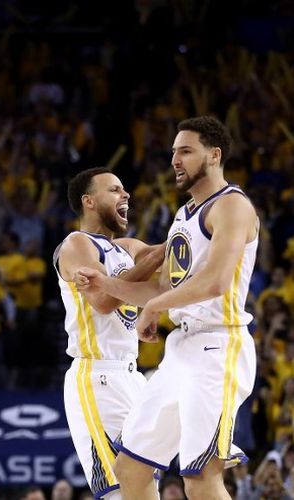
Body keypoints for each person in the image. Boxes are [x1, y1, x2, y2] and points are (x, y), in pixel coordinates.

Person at [75, 116, 258, 500]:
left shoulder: (232, 206)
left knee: (200, 478)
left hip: (218, 347)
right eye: (173, 152)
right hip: (181, 350)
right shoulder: (184, 215)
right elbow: (162, 286)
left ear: (214, 155)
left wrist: (156, 306)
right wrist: (107, 284)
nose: (175, 159)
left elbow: (216, 282)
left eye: (186, 151)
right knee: (130, 467)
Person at [54, 167, 165, 499]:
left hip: (134, 378)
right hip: (96, 377)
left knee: (146, 490)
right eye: (115, 190)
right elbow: (103, 301)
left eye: (124, 189)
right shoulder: (77, 244)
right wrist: (156, 259)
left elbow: (172, 260)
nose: (125, 195)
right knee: (119, 491)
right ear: (89, 201)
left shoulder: (127, 248)